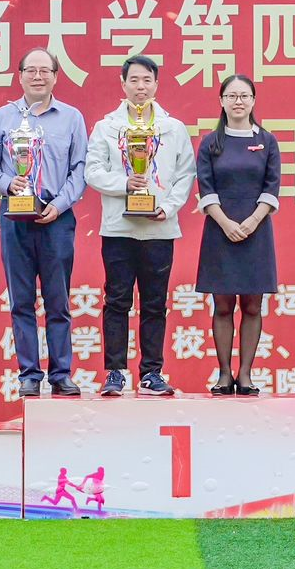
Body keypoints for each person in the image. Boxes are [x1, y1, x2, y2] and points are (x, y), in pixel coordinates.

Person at [0, 49, 90, 398]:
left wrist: (59, 204)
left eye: (45, 71)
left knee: (58, 301)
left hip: (56, 219)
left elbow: (80, 168)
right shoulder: (1, 118)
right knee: (21, 301)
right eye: (31, 70)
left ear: (56, 76)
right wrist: (8, 182)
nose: (38, 77)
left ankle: (61, 374)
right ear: (20, 75)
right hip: (15, 217)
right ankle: (28, 373)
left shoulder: (71, 118)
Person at [85, 55, 196, 397]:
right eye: (133, 80)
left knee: (154, 303)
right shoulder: (106, 127)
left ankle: (151, 373)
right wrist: (125, 184)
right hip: (118, 228)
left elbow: (185, 174)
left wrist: (167, 207)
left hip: (159, 228)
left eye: (147, 80)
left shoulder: (173, 128)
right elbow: (92, 171)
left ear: (156, 84)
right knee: (117, 300)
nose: (140, 87)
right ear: (123, 84)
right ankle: (115, 373)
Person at [194, 74, 280, 396]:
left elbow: (271, 187)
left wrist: (253, 221)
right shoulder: (210, 143)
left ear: (253, 101)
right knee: (222, 306)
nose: (238, 102)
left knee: (253, 306)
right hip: (220, 231)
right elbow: (206, 188)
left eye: (244, 96)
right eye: (232, 96)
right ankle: (224, 374)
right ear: (221, 101)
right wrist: (226, 223)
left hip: (257, 231)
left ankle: (245, 374)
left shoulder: (267, 141)